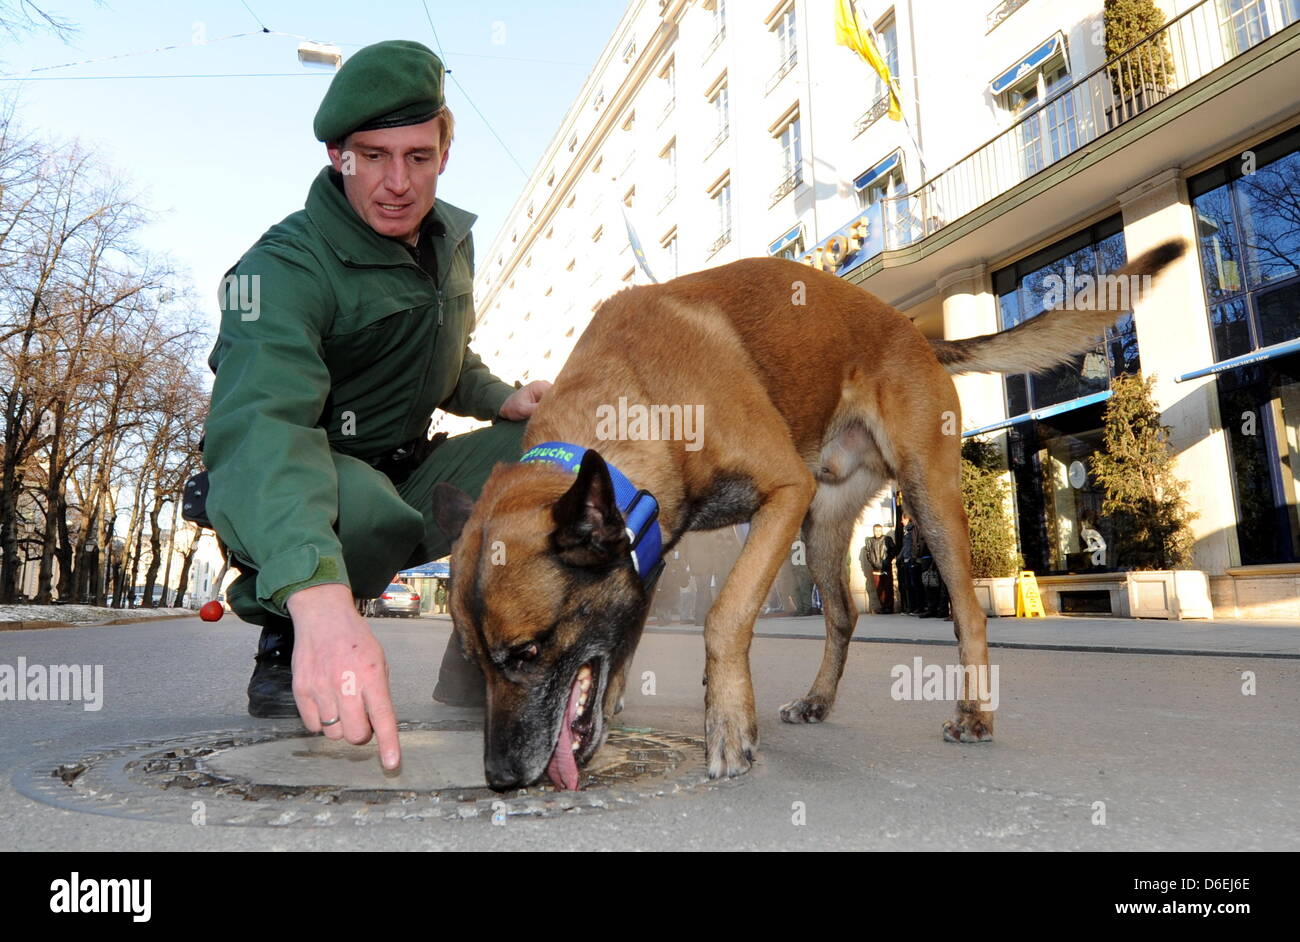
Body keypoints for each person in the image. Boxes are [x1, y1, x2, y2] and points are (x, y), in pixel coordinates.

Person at [203, 40, 550, 770]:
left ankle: (487, 631)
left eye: (417, 157)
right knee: (364, 508)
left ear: (444, 152)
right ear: (338, 156)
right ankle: (288, 627)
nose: (398, 183)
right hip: (310, 483)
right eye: (373, 156)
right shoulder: (283, 268)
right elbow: (263, 427)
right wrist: (323, 601)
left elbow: (447, 361)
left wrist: (502, 398)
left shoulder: (450, 243)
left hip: (410, 470)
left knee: (556, 445)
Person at [859, 523, 896, 614]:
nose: (878, 532)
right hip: (876, 568)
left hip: (886, 568)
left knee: (887, 587)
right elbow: (868, 554)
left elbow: (893, 550)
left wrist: (887, 561)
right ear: (873, 531)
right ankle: (883, 606)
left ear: (882, 531)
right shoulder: (870, 541)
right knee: (879, 588)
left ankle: (889, 607)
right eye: (876, 530)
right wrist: (872, 563)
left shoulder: (887, 539)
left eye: (879, 530)